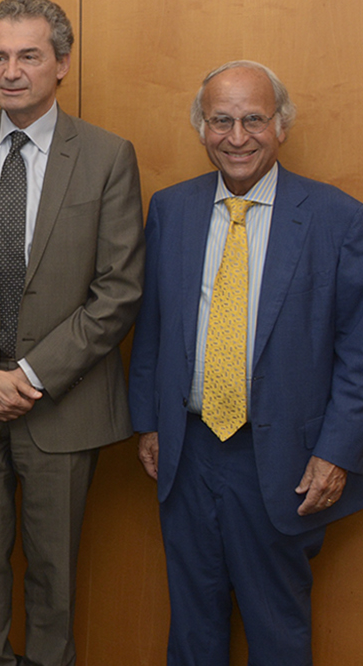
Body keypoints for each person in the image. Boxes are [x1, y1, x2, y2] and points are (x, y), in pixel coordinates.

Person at [0, 0, 144, 666]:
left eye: (28, 56)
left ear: (62, 64)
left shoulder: (107, 157)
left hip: (63, 408)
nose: (10, 71)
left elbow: (118, 291)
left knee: (53, 582)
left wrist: (28, 378)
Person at [129, 61, 363, 664]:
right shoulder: (172, 209)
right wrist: (149, 422)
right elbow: (151, 327)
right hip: (189, 451)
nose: (237, 137)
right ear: (201, 128)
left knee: (277, 629)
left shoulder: (337, 219)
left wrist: (336, 452)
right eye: (221, 121)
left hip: (284, 458)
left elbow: (357, 352)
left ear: (281, 125)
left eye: (254, 119)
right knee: (192, 628)